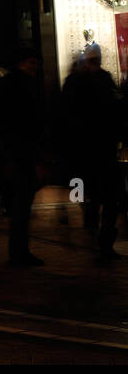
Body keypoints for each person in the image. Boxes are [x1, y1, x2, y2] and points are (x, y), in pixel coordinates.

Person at [0, 45, 45, 266]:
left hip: (10, 148)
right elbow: (30, 121)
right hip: (20, 149)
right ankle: (19, 252)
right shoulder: (21, 86)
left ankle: (18, 250)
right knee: (22, 202)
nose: (35, 67)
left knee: (19, 201)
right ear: (23, 63)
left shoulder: (5, 84)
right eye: (32, 63)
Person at [61, 44, 123, 257]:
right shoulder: (84, 82)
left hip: (94, 146)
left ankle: (98, 226)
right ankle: (93, 219)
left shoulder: (88, 81)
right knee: (95, 189)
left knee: (101, 191)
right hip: (91, 146)